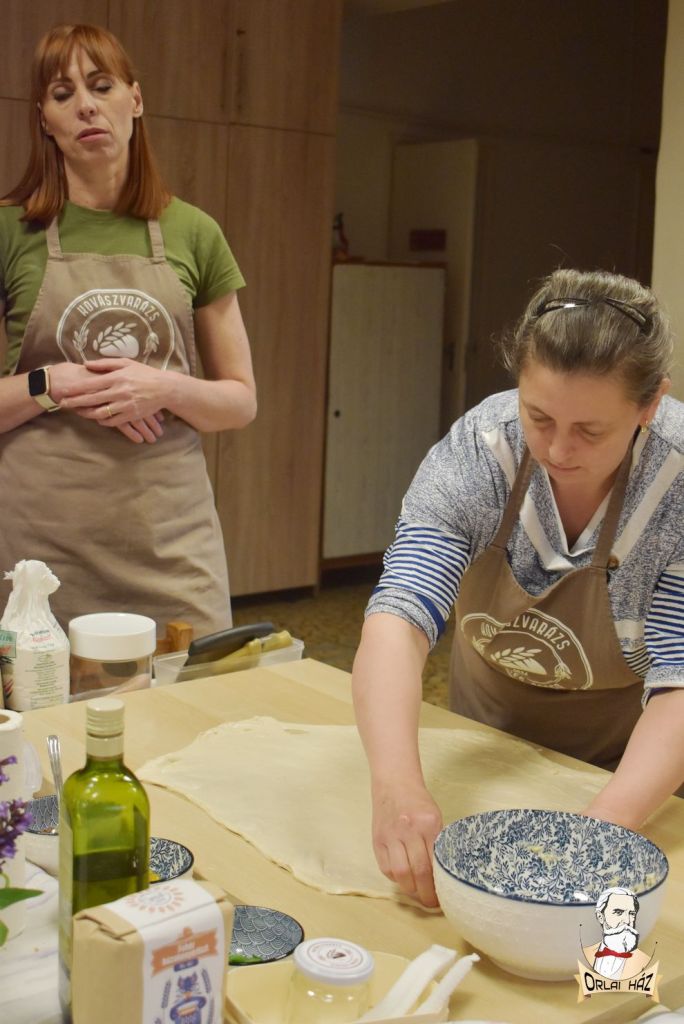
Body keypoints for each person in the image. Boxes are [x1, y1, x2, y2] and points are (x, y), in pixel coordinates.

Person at [352, 268, 684, 908]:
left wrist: (602, 831)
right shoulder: (482, 451)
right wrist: (396, 787)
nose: (558, 449)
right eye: (539, 416)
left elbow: (680, 681)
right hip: (481, 746)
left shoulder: (676, 485)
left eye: (590, 431)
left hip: (625, 768)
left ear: (650, 404)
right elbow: (400, 615)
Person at [0, 24, 256, 639]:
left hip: (171, 544)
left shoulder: (195, 232)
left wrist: (162, 388)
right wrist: (50, 384)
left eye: (101, 86)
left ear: (135, 100)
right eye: (63, 94)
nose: (86, 106)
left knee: (193, 694)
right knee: (42, 701)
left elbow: (240, 401)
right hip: (39, 554)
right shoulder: (10, 231)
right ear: (44, 120)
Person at [582, 887, 652, 979]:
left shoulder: (642, 963)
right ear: (600, 917)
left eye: (632, 914)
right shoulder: (584, 954)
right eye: (618, 912)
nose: (627, 921)